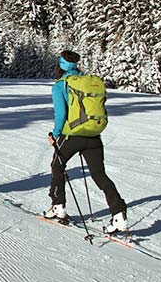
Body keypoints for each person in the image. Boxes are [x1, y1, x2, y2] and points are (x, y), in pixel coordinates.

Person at [44, 50, 128, 234]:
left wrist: (55, 134)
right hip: (94, 136)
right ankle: (119, 213)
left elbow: (61, 115)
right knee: (99, 174)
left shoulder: (60, 86)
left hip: (71, 135)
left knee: (57, 166)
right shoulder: (87, 83)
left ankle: (58, 207)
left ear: (59, 66)